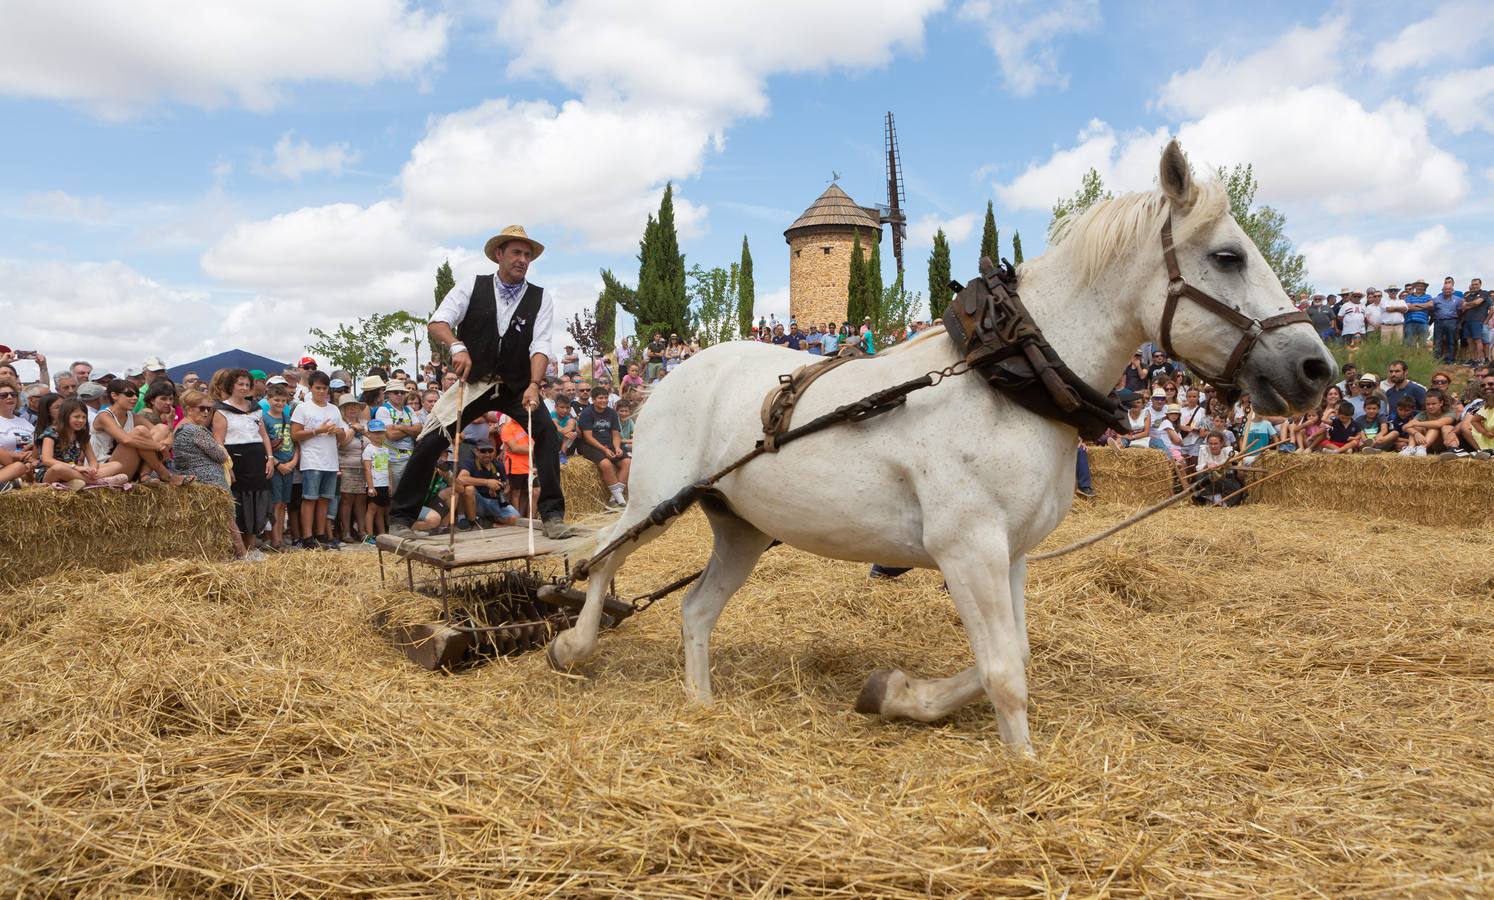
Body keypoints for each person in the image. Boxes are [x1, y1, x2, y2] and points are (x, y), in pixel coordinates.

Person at [391, 224, 571, 539]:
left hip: (517, 385)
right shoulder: (472, 286)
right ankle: (400, 518)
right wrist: (458, 347)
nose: (522, 259)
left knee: (546, 432)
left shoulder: (541, 298)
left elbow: (540, 345)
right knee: (431, 439)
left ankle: (553, 515)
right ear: (499, 254)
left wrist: (533, 385)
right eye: (516, 252)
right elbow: (438, 321)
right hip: (477, 382)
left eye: (527, 255)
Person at [211, 368, 274, 553]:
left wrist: (270, 458)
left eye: (247, 384)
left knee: (257, 502)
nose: (244, 388)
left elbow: (264, 436)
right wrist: (227, 465)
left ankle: (251, 548)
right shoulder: (221, 410)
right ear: (232, 386)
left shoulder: (256, 408)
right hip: (236, 460)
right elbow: (219, 442)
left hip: (257, 460)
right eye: (240, 384)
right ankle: (239, 551)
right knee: (239, 504)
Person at [290, 370, 345, 550]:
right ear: (311, 388)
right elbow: (295, 434)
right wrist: (317, 431)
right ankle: (307, 536)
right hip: (312, 460)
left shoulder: (334, 409)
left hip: (331, 460)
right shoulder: (303, 408)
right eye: (318, 388)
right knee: (310, 499)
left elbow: (343, 438)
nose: (322, 391)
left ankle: (320, 534)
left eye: (325, 388)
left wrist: (338, 432)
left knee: (324, 499)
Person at [93, 379, 179, 484]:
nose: (134, 398)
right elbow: (125, 440)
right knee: (140, 431)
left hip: (128, 468)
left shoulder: (134, 417)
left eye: (136, 395)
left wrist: (169, 425)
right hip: (105, 469)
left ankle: (144, 474)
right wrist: (159, 446)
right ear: (114, 395)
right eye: (129, 394)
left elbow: (163, 433)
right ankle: (163, 472)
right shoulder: (104, 416)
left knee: (161, 427)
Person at [576, 386, 630, 507]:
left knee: (627, 462)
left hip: (610, 443)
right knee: (606, 464)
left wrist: (617, 448)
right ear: (593, 400)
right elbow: (588, 437)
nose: (604, 400)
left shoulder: (611, 413)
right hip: (590, 445)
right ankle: (621, 501)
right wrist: (604, 449)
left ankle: (614, 497)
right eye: (600, 398)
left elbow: (616, 434)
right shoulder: (587, 413)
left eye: (606, 398)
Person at [262, 383, 299, 551]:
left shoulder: (287, 418)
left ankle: (281, 538)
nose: (280, 403)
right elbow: (263, 446)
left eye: (283, 400)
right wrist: (278, 464)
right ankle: (275, 540)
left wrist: (292, 463)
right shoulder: (264, 419)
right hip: (276, 466)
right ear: (269, 399)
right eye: (276, 400)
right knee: (276, 504)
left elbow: (295, 443)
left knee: (283, 503)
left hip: (288, 465)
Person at [455, 439, 521, 526]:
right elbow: (460, 479)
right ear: (476, 452)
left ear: (494, 451)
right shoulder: (470, 463)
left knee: (515, 518)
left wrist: (500, 491)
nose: (487, 454)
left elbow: (507, 485)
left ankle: (489, 520)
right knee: (469, 489)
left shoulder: (499, 465)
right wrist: (487, 482)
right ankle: (473, 522)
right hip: (477, 502)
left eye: (490, 451)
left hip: (494, 501)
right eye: (483, 451)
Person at [374, 380, 418, 492]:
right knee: (394, 495)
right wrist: (410, 429)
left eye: (402, 392)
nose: (399, 395)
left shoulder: (409, 409)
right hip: (392, 461)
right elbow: (391, 435)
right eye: (395, 392)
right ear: (388, 394)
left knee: (408, 493)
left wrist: (401, 427)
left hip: (410, 458)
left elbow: (419, 430)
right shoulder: (383, 410)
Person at [336, 396, 369, 544]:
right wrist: (352, 428)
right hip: (346, 466)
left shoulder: (365, 423)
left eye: (355, 406)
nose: (353, 409)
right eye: (348, 406)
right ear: (342, 409)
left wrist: (363, 431)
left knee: (362, 500)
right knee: (347, 499)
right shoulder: (340, 424)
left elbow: (377, 440)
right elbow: (342, 443)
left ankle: (362, 531)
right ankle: (346, 531)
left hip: (365, 467)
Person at [0, 377, 35, 489]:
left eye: (13, 394)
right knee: (18, 467)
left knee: (23, 468)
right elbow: (6, 459)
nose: (10, 397)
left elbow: (37, 449)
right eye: (3, 395)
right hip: (6, 466)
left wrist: (32, 455)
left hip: (25, 467)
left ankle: (10, 484)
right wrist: (16, 456)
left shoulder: (26, 423)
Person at [1403, 388, 1459, 456]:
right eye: (1428, 404)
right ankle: (1410, 448)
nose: (1430, 406)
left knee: (1435, 427)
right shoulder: (1423, 414)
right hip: (1429, 445)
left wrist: (1415, 423)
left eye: (1433, 404)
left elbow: (1438, 424)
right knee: (1417, 428)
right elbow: (1405, 427)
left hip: (1444, 445)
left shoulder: (1449, 412)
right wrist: (1416, 433)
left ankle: (1423, 447)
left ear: (1441, 403)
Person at [361, 419, 392, 542]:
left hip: (384, 483)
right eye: (375, 432)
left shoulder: (386, 449)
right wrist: (370, 486)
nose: (378, 435)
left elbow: (389, 468)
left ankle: (382, 534)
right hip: (374, 484)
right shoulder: (369, 449)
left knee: (381, 510)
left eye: (381, 432)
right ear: (369, 433)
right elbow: (367, 469)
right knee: (372, 509)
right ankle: (369, 535)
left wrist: (390, 484)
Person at [1459, 277, 1488, 366]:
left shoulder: (1484, 293)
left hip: (1477, 320)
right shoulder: (1469, 295)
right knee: (1469, 341)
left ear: (1480, 284)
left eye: (1476, 284)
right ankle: (1473, 359)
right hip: (1467, 320)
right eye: (1473, 284)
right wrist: (1470, 304)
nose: (1474, 286)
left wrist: (1468, 304)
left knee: (1477, 340)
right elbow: (1463, 307)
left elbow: (1477, 303)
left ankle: (1479, 360)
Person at [1402, 278, 1433, 347]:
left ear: (1424, 287)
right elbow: (1408, 307)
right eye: (1418, 286)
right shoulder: (1409, 297)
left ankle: (1421, 358)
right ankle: (1410, 358)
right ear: (1415, 286)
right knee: (1410, 345)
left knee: (1423, 345)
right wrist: (1424, 306)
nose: (1420, 287)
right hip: (1410, 323)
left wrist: (1416, 304)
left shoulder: (1428, 296)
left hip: (1423, 323)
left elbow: (1430, 305)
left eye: (1422, 286)